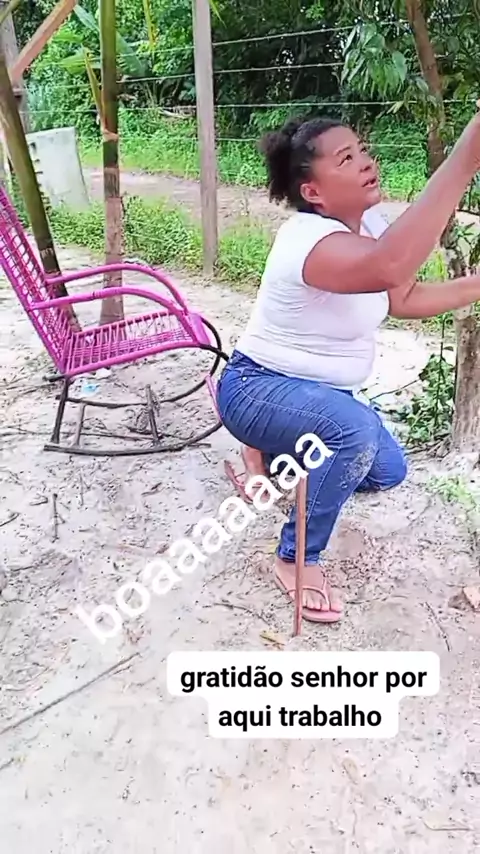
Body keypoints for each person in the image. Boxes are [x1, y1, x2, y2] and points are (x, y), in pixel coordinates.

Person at [216, 111, 480, 624]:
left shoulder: (371, 228)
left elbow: (402, 296)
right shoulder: (306, 240)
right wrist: (467, 155)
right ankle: (296, 557)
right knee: (353, 432)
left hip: (322, 399)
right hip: (256, 387)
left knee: (387, 470)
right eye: (345, 159)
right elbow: (390, 265)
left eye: (362, 150)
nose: (365, 162)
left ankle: (271, 455)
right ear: (312, 191)